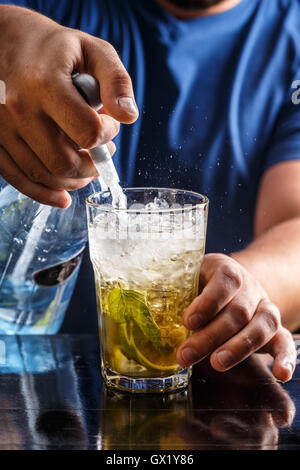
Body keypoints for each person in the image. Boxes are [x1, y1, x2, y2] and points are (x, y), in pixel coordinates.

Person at [0, 0, 299, 382]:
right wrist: (5, 32)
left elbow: (296, 222)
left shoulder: (292, 37)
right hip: (35, 376)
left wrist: (240, 287)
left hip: (204, 394)